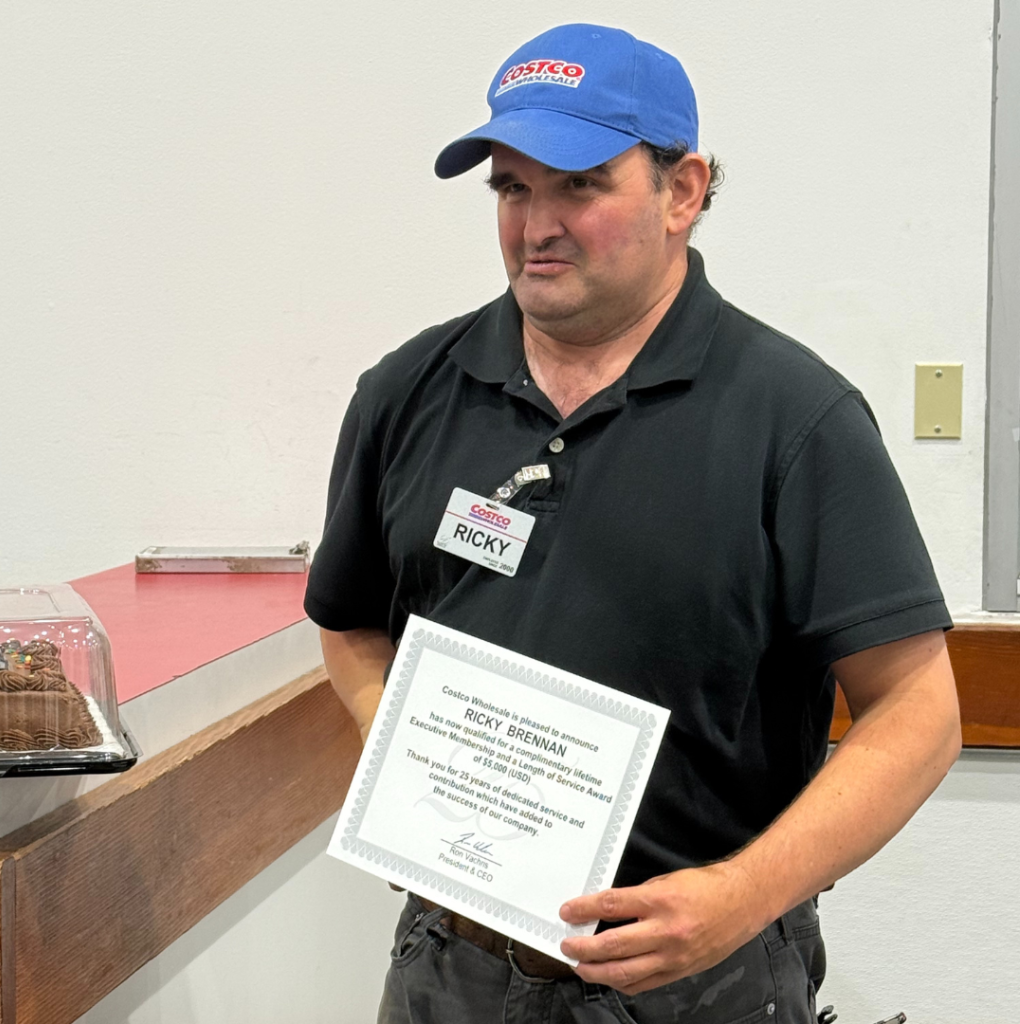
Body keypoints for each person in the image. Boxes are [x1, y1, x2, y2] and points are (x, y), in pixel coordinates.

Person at [304, 23, 961, 1024]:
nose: (536, 225)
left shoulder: (793, 418)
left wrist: (739, 896)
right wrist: (400, 754)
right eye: (511, 189)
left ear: (683, 191)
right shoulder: (406, 393)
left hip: (706, 978)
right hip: (453, 965)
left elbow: (918, 714)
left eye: (578, 184)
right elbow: (349, 621)